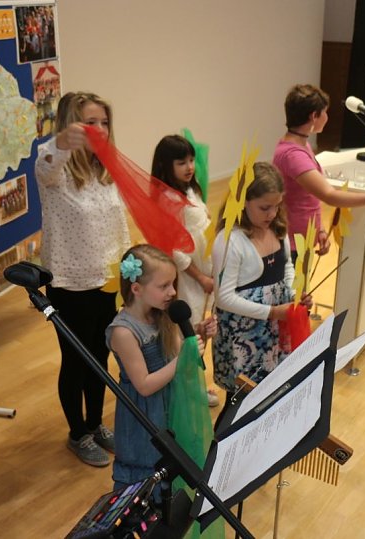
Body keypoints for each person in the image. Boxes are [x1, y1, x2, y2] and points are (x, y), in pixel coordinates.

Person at [35, 92, 130, 467]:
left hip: (105, 281)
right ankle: (78, 434)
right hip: (69, 284)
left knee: (101, 355)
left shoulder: (104, 171)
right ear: (71, 126)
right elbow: (46, 165)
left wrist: (126, 269)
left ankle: (95, 423)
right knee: (76, 360)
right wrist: (61, 143)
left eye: (105, 123)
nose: (101, 130)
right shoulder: (54, 169)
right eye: (91, 123)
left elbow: (117, 225)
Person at [107, 244, 216, 491]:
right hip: (145, 416)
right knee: (151, 478)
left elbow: (177, 354)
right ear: (136, 289)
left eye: (173, 284)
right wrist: (182, 360)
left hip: (172, 403)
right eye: (164, 286)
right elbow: (144, 386)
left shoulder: (162, 315)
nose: (173, 291)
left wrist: (200, 333)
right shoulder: (123, 332)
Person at [211, 162, 312, 413]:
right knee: (241, 402)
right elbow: (223, 298)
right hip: (244, 336)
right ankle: (221, 449)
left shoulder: (277, 228)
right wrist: (271, 312)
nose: (272, 214)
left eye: (277, 206)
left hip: (274, 329)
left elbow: (287, 267)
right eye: (265, 207)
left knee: (270, 394)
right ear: (243, 202)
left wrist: (293, 294)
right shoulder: (230, 240)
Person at [273, 84, 365, 262]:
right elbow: (329, 195)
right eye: (324, 112)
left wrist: (319, 228)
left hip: (302, 238)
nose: (327, 117)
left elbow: (307, 196)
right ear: (314, 116)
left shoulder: (301, 144)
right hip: (292, 244)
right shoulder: (293, 155)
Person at [150, 134, 219, 407]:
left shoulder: (191, 189)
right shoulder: (166, 197)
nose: (190, 166)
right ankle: (189, 387)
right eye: (182, 162)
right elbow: (173, 248)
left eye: (191, 160)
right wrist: (200, 276)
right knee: (188, 332)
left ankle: (195, 382)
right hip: (188, 276)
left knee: (201, 329)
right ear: (166, 166)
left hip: (203, 271)